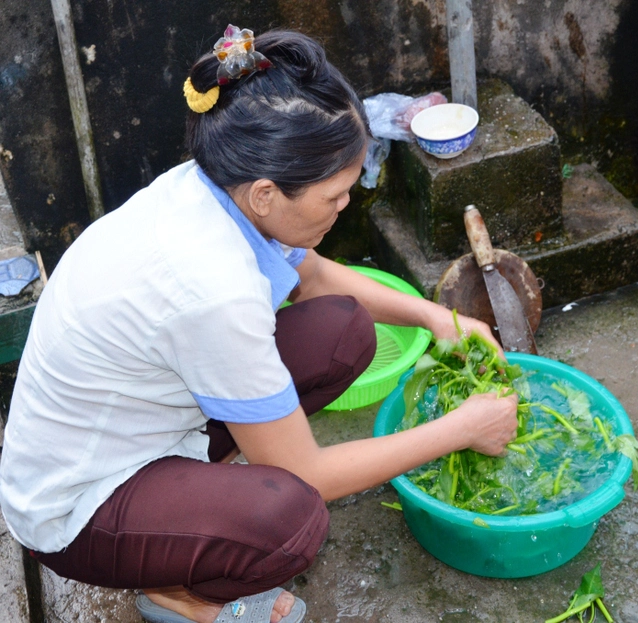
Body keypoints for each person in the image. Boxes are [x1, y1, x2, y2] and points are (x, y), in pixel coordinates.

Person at [0, 25, 518, 623]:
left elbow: (318, 278)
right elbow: (308, 474)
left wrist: (437, 318)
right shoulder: (212, 290)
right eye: (337, 195)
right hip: (75, 507)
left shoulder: (216, 187)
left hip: (146, 426)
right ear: (268, 194)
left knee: (345, 331)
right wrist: (463, 428)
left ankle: (194, 511)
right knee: (292, 519)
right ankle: (182, 592)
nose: (346, 205)